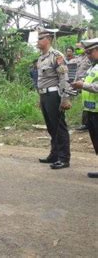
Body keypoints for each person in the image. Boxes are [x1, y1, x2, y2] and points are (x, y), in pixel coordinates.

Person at [36, 29, 73, 169]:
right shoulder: (41, 58)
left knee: (59, 127)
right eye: (38, 38)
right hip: (45, 95)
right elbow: (41, 80)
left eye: (41, 38)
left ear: (49, 39)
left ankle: (64, 158)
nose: (38, 41)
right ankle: (55, 154)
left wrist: (65, 98)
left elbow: (63, 78)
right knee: (51, 127)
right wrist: (41, 98)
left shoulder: (56, 56)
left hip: (54, 95)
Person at [71, 38, 98, 178]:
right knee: (96, 142)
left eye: (90, 52)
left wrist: (83, 85)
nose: (88, 55)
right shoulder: (93, 67)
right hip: (91, 111)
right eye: (86, 53)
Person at [74, 43, 93, 131]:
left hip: (89, 83)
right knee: (85, 104)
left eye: (79, 48)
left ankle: (86, 124)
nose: (77, 50)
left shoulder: (90, 57)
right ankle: (86, 123)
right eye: (76, 48)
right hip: (81, 82)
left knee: (89, 104)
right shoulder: (78, 58)